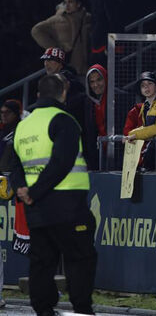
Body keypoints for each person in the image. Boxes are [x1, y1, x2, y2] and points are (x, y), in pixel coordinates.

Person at [10, 73, 96, 316]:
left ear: (38, 95)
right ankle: (81, 311)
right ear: (63, 93)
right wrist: (35, 192)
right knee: (80, 260)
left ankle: (43, 311)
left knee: (41, 262)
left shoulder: (23, 125)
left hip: (36, 209)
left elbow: (15, 166)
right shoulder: (64, 120)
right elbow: (61, 163)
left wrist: (24, 192)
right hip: (67, 205)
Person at [31, 0, 91, 75]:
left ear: (78, 4)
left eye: (70, 2)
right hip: (66, 68)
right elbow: (36, 30)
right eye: (65, 2)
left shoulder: (87, 18)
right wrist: (55, 50)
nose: (67, 5)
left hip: (85, 68)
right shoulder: (58, 18)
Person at [80, 0, 124, 66]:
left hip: (106, 47)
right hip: (98, 45)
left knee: (108, 78)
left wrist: (111, 47)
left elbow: (115, 22)